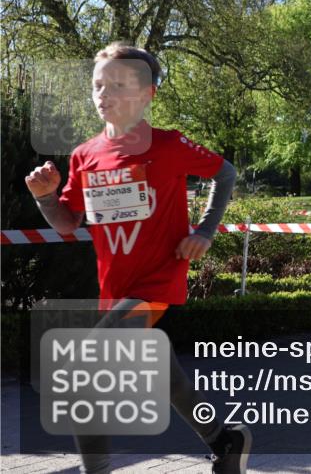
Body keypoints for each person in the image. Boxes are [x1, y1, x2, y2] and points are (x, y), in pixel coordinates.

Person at [24, 43, 251, 474]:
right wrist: (46, 198)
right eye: (97, 85)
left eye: (117, 85)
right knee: (168, 379)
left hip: (158, 279)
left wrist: (204, 231)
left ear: (148, 94)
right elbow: (68, 223)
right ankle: (225, 439)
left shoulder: (168, 145)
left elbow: (225, 173)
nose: (103, 94)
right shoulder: (85, 155)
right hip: (116, 288)